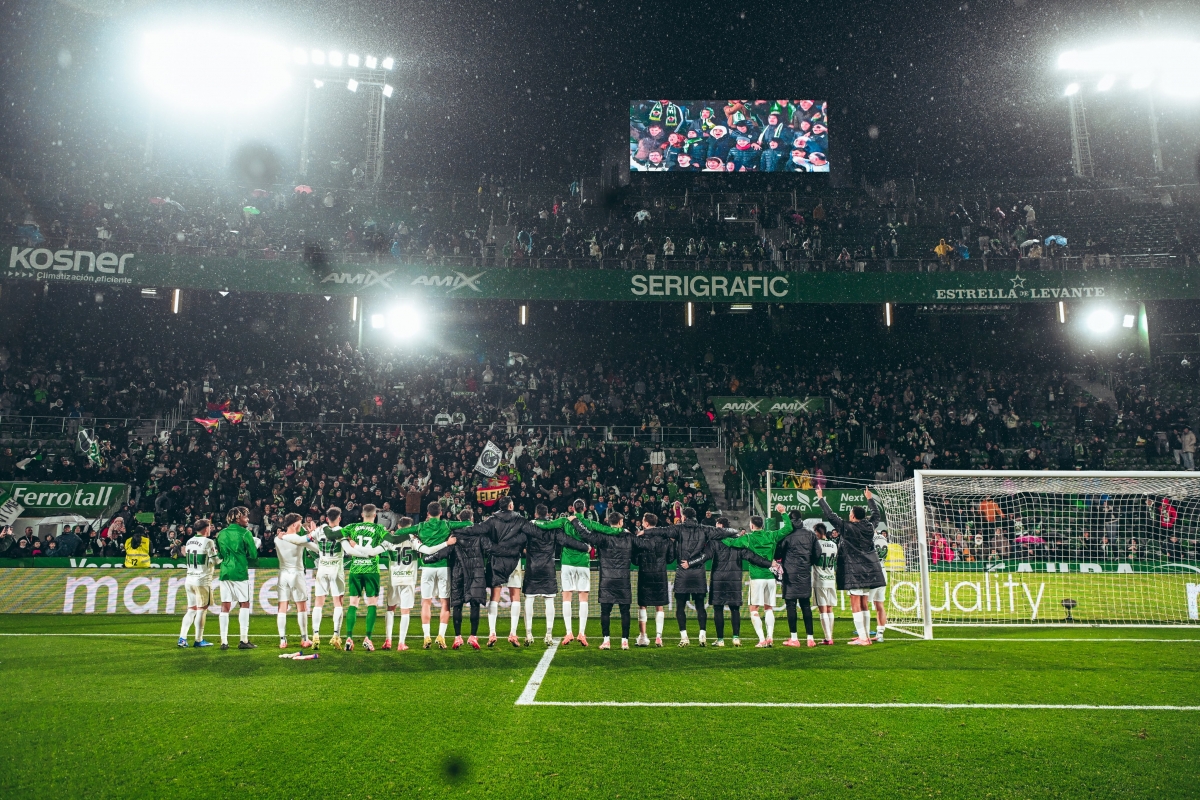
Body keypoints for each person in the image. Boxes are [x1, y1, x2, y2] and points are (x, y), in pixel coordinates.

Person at [451, 496, 541, 646]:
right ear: (511, 506)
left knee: (495, 596)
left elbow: (476, 529)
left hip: (496, 561)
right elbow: (534, 532)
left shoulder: (492, 520)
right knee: (515, 597)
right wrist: (518, 542)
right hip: (514, 561)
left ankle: (492, 633)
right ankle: (513, 633)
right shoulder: (519, 520)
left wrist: (457, 530)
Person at [568, 513, 658, 650]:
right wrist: (645, 532)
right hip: (623, 580)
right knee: (625, 612)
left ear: (609, 522)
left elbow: (586, 535)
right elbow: (648, 545)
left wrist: (575, 520)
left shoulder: (603, 537)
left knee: (605, 612)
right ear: (621, 522)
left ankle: (606, 641)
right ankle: (624, 642)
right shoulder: (628, 536)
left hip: (607, 580)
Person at [393, 501, 475, 649]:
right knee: (445, 602)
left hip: (427, 568)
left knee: (426, 602)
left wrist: (413, 536)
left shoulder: (421, 527)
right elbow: (468, 523)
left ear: (428, 514)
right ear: (441, 513)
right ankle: (441, 637)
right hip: (443, 566)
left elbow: (399, 532)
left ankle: (426, 637)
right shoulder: (446, 525)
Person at [642, 506, 725, 646]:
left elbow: (663, 531)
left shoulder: (679, 528)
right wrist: (736, 533)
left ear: (684, 517)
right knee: (700, 606)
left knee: (680, 607)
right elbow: (722, 532)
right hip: (699, 573)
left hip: (683, 572)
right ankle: (702, 636)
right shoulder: (704, 529)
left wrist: (645, 531)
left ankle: (684, 637)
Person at [816, 487, 884, 645]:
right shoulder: (869, 526)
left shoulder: (847, 527)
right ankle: (865, 634)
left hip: (854, 570)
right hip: (870, 570)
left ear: (853, 516)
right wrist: (870, 499)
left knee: (855, 602)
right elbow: (877, 515)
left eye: (850, 513)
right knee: (864, 602)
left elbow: (830, 516)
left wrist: (820, 497)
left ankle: (863, 637)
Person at [719, 504, 792, 647]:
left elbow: (732, 543)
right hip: (770, 577)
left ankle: (762, 639)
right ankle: (770, 636)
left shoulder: (749, 538)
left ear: (752, 526)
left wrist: (720, 535)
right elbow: (788, 528)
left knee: (754, 609)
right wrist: (783, 512)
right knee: (769, 608)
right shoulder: (771, 535)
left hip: (757, 577)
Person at [422, 511, 492, 650]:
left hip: (458, 572)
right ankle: (473, 636)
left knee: (457, 605)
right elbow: (489, 548)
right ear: (471, 518)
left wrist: (428, 558)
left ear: (459, 519)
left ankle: (458, 637)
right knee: (475, 605)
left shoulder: (454, 535)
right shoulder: (479, 534)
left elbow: (445, 551)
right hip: (476, 572)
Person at [522, 504, 590, 645]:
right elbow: (567, 540)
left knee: (529, 599)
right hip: (548, 567)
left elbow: (520, 542)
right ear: (547, 514)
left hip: (532, 567)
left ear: (535, 514)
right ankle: (548, 634)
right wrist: (585, 547)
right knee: (549, 600)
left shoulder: (529, 526)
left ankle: (529, 634)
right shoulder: (554, 528)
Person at [708, 518, 774, 647]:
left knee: (718, 608)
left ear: (721, 526)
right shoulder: (740, 541)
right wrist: (769, 563)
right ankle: (736, 638)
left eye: (717, 526)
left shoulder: (715, 541)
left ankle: (720, 640)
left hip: (718, 578)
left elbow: (706, 555)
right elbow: (752, 556)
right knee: (735, 609)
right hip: (734, 577)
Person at [338, 503, 390, 652]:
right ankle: (368, 638)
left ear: (362, 515)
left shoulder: (352, 527)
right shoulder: (379, 528)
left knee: (353, 603)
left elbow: (339, 534)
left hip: (356, 569)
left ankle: (348, 638)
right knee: (372, 603)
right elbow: (388, 541)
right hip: (372, 569)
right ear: (375, 515)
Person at [772, 511, 821, 647]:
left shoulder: (786, 534)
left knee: (791, 605)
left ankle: (794, 638)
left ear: (789, 519)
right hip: (805, 572)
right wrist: (808, 563)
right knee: (806, 605)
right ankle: (810, 638)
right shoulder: (810, 534)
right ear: (800, 519)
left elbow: (778, 553)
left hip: (789, 573)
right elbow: (818, 552)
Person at [215, 506, 261, 650]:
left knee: (225, 605)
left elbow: (220, 556)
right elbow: (253, 555)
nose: (248, 519)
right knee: (244, 603)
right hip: (240, 572)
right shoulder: (245, 533)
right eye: (245, 517)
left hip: (225, 572)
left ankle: (224, 642)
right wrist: (254, 545)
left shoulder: (221, 534)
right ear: (237, 518)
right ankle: (244, 640)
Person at [272, 513, 314, 649]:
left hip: (283, 574)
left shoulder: (277, 539)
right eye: (300, 523)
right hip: (296, 574)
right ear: (295, 524)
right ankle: (305, 639)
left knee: (282, 607)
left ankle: (282, 640)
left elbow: (282, 538)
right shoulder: (300, 539)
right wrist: (312, 534)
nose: (301, 526)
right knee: (301, 607)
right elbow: (317, 548)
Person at [632, 513, 674, 647]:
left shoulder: (641, 538)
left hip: (645, 573)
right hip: (660, 574)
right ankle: (658, 637)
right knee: (659, 605)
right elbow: (670, 558)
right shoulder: (665, 539)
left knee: (642, 605)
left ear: (646, 523)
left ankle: (643, 636)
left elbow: (635, 560)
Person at [309, 507, 346, 650]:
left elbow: (310, 539)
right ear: (339, 518)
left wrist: (311, 532)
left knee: (318, 603)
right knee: (338, 603)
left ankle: (316, 635)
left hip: (322, 569)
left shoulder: (320, 530)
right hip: (336, 569)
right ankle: (336, 635)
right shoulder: (342, 531)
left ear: (326, 518)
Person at [380, 516, 419, 651]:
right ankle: (401, 643)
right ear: (411, 526)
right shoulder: (413, 539)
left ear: (398, 526)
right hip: (408, 579)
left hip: (394, 579)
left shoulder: (391, 539)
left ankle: (388, 640)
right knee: (405, 611)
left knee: (390, 608)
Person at [179, 519, 218, 648]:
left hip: (189, 579)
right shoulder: (208, 541)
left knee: (191, 610)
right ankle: (198, 639)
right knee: (201, 610)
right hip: (202, 580)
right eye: (209, 527)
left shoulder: (189, 541)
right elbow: (215, 561)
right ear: (205, 528)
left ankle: (182, 638)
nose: (211, 529)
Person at [812, 523, 838, 644]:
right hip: (831, 579)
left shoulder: (816, 545)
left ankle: (828, 638)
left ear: (817, 532)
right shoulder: (834, 544)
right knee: (829, 609)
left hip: (820, 580)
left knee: (823, 610)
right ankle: (829, 636)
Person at [870, 525, 891, 642]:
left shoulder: (868, 538)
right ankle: (880, 634)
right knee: (880, 604)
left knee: (863, 604)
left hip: (872, 572)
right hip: (883, 571)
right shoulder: (883, 538)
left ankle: (863, 634)